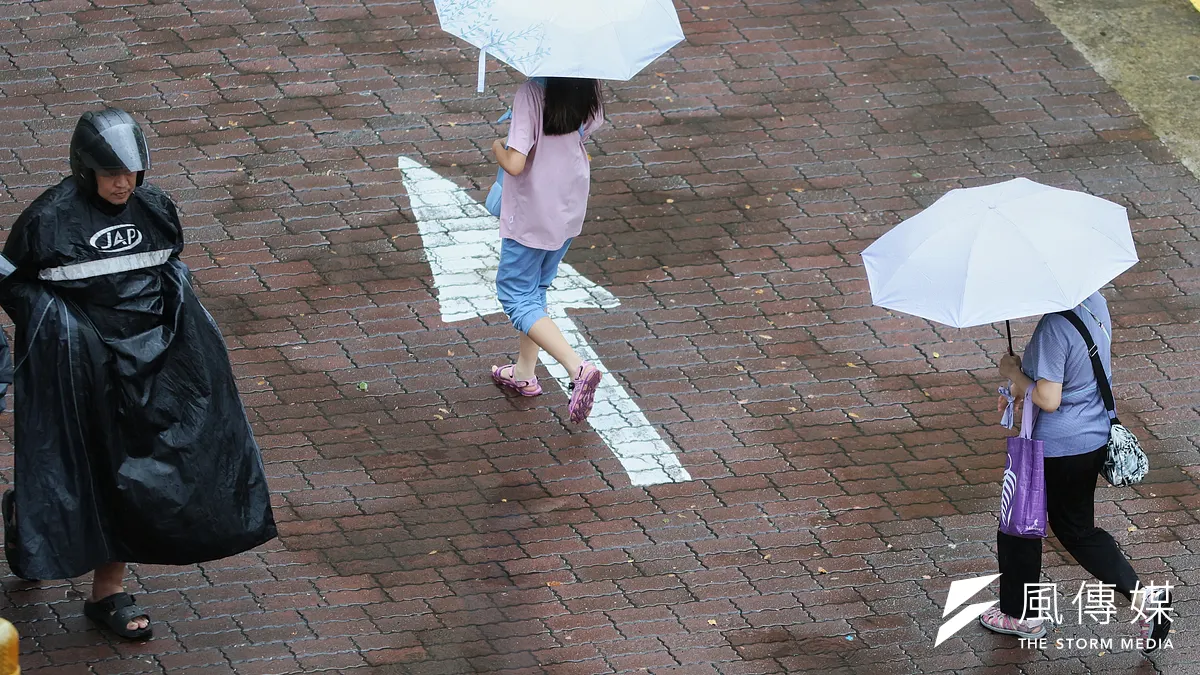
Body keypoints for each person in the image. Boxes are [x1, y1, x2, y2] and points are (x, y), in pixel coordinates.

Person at [0, 108, 277, 640]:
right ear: (85, 170)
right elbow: (13, 287)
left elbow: (169, 269)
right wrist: (71, 334)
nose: (123, 184)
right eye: (111, 174)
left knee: (137, 474)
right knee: (91, 468)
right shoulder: (47, 220)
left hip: (150, 368)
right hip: (81, 374)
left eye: (131, 173)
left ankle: (107, 594)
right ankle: (31, 519)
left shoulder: (155, 209)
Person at [986, 291, 1172, 653]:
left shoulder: (1054, 326)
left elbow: (1050, 400)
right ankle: (1142, 600)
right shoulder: (1094, 302)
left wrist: (1012, 372)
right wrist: (1022, 382)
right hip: (1093, 436)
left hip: (1058, 446)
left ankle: (1021, 614)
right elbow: (1074, 371)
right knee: (1077, 529)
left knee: (1022, 522)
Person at [489, 77, 605, 423]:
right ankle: (524, 373)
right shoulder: (587, 79)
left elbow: (514, 163)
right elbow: (591, 124)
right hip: (568, 202)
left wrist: (498, 145)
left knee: (515, 295)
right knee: (535, 289)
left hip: (532, 212)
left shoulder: (532, 91)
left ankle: (577, 367)